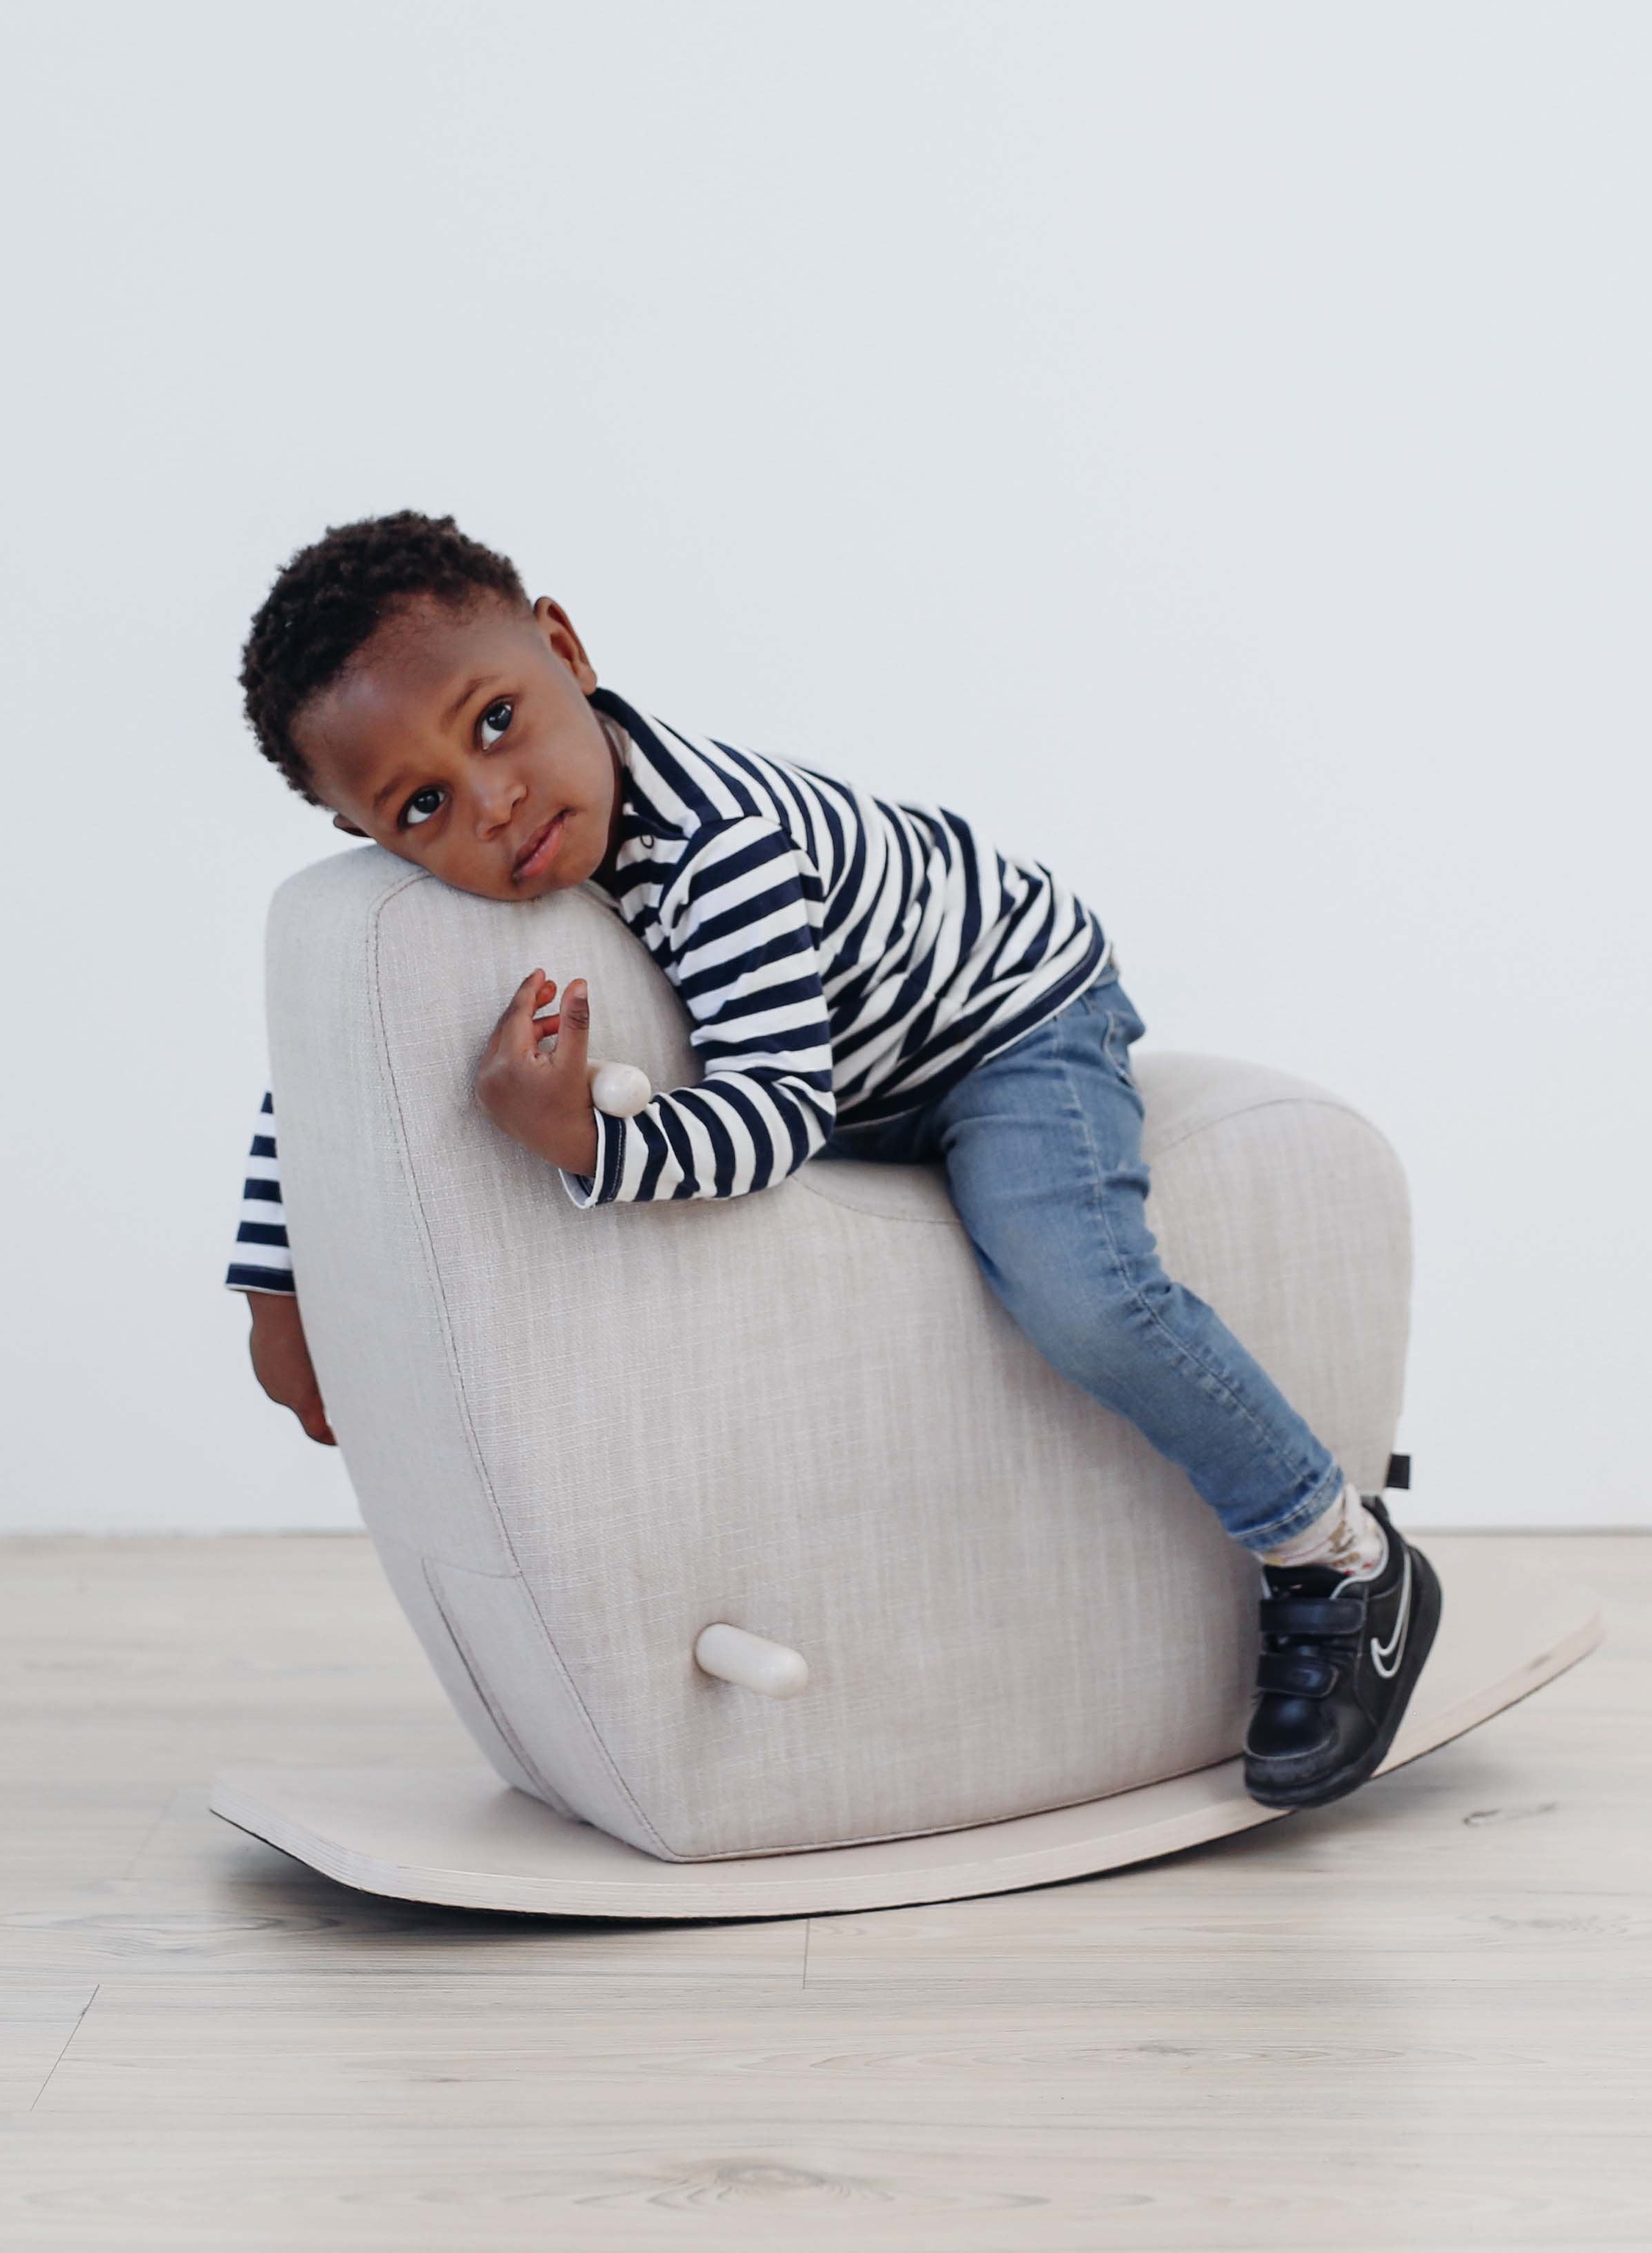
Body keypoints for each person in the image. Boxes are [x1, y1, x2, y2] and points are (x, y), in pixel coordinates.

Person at [222, 509, 1440, 1811]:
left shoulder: (716, 845)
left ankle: (1339, 1554)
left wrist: (582, 1138)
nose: (493, 800)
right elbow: (343, 1065)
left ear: (567, 651)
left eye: (496, 722)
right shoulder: (482, 889)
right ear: (372, 842)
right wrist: (277, 1287)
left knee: (1078, 1288)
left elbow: (776, 1117)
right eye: (422, 804)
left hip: (1001, 1024)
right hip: (850, 1063)